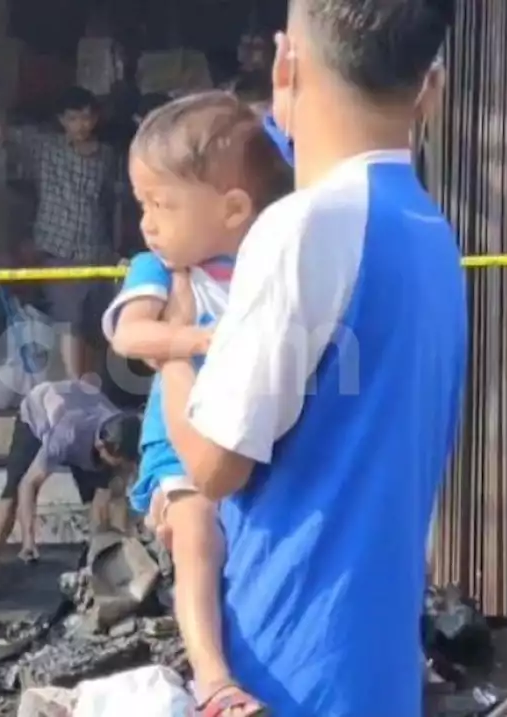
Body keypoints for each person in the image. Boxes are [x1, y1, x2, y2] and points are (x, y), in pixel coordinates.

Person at [152, 1, 461, 716]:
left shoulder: (304, 226)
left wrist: (171, 349)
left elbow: (214, 465)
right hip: (378, 661)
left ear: (285, 63)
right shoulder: (430, 229)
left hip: (290, 661)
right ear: (432, 90)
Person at [102, 94, 292, 717]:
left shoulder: (264, 265)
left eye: (163, 205)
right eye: (143, 206)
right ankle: (213, 679)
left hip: (247, 435)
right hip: (177, 438)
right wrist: (199, 339)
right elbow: (130, 336)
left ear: (234, 210)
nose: (148, 223)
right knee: (196, 534)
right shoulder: (157, 267)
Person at [0, 87, 123, 380]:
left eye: (86, 118)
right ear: (61, 120)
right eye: (73, 118)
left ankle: (90, 388)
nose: (81, 125)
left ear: (95, 119)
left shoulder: (107, 157)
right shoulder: (46, 149)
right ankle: (76, 387)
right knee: (69, 323)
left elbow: (111, 205)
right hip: (58, 251)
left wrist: (115, 248)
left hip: (96, 254)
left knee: (95, 327)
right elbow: (4, 133)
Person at [0, 379, 141, 601]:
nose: (119, 468)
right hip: (37, 412)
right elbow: (29, 485)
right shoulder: (66, 435)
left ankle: (97, 570)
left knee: (105, 495)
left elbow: (113, 498)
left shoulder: (123, 427)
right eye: (117, 461)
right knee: (11, 494)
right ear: (101, 447)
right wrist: (29, 539)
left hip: (82, 405)